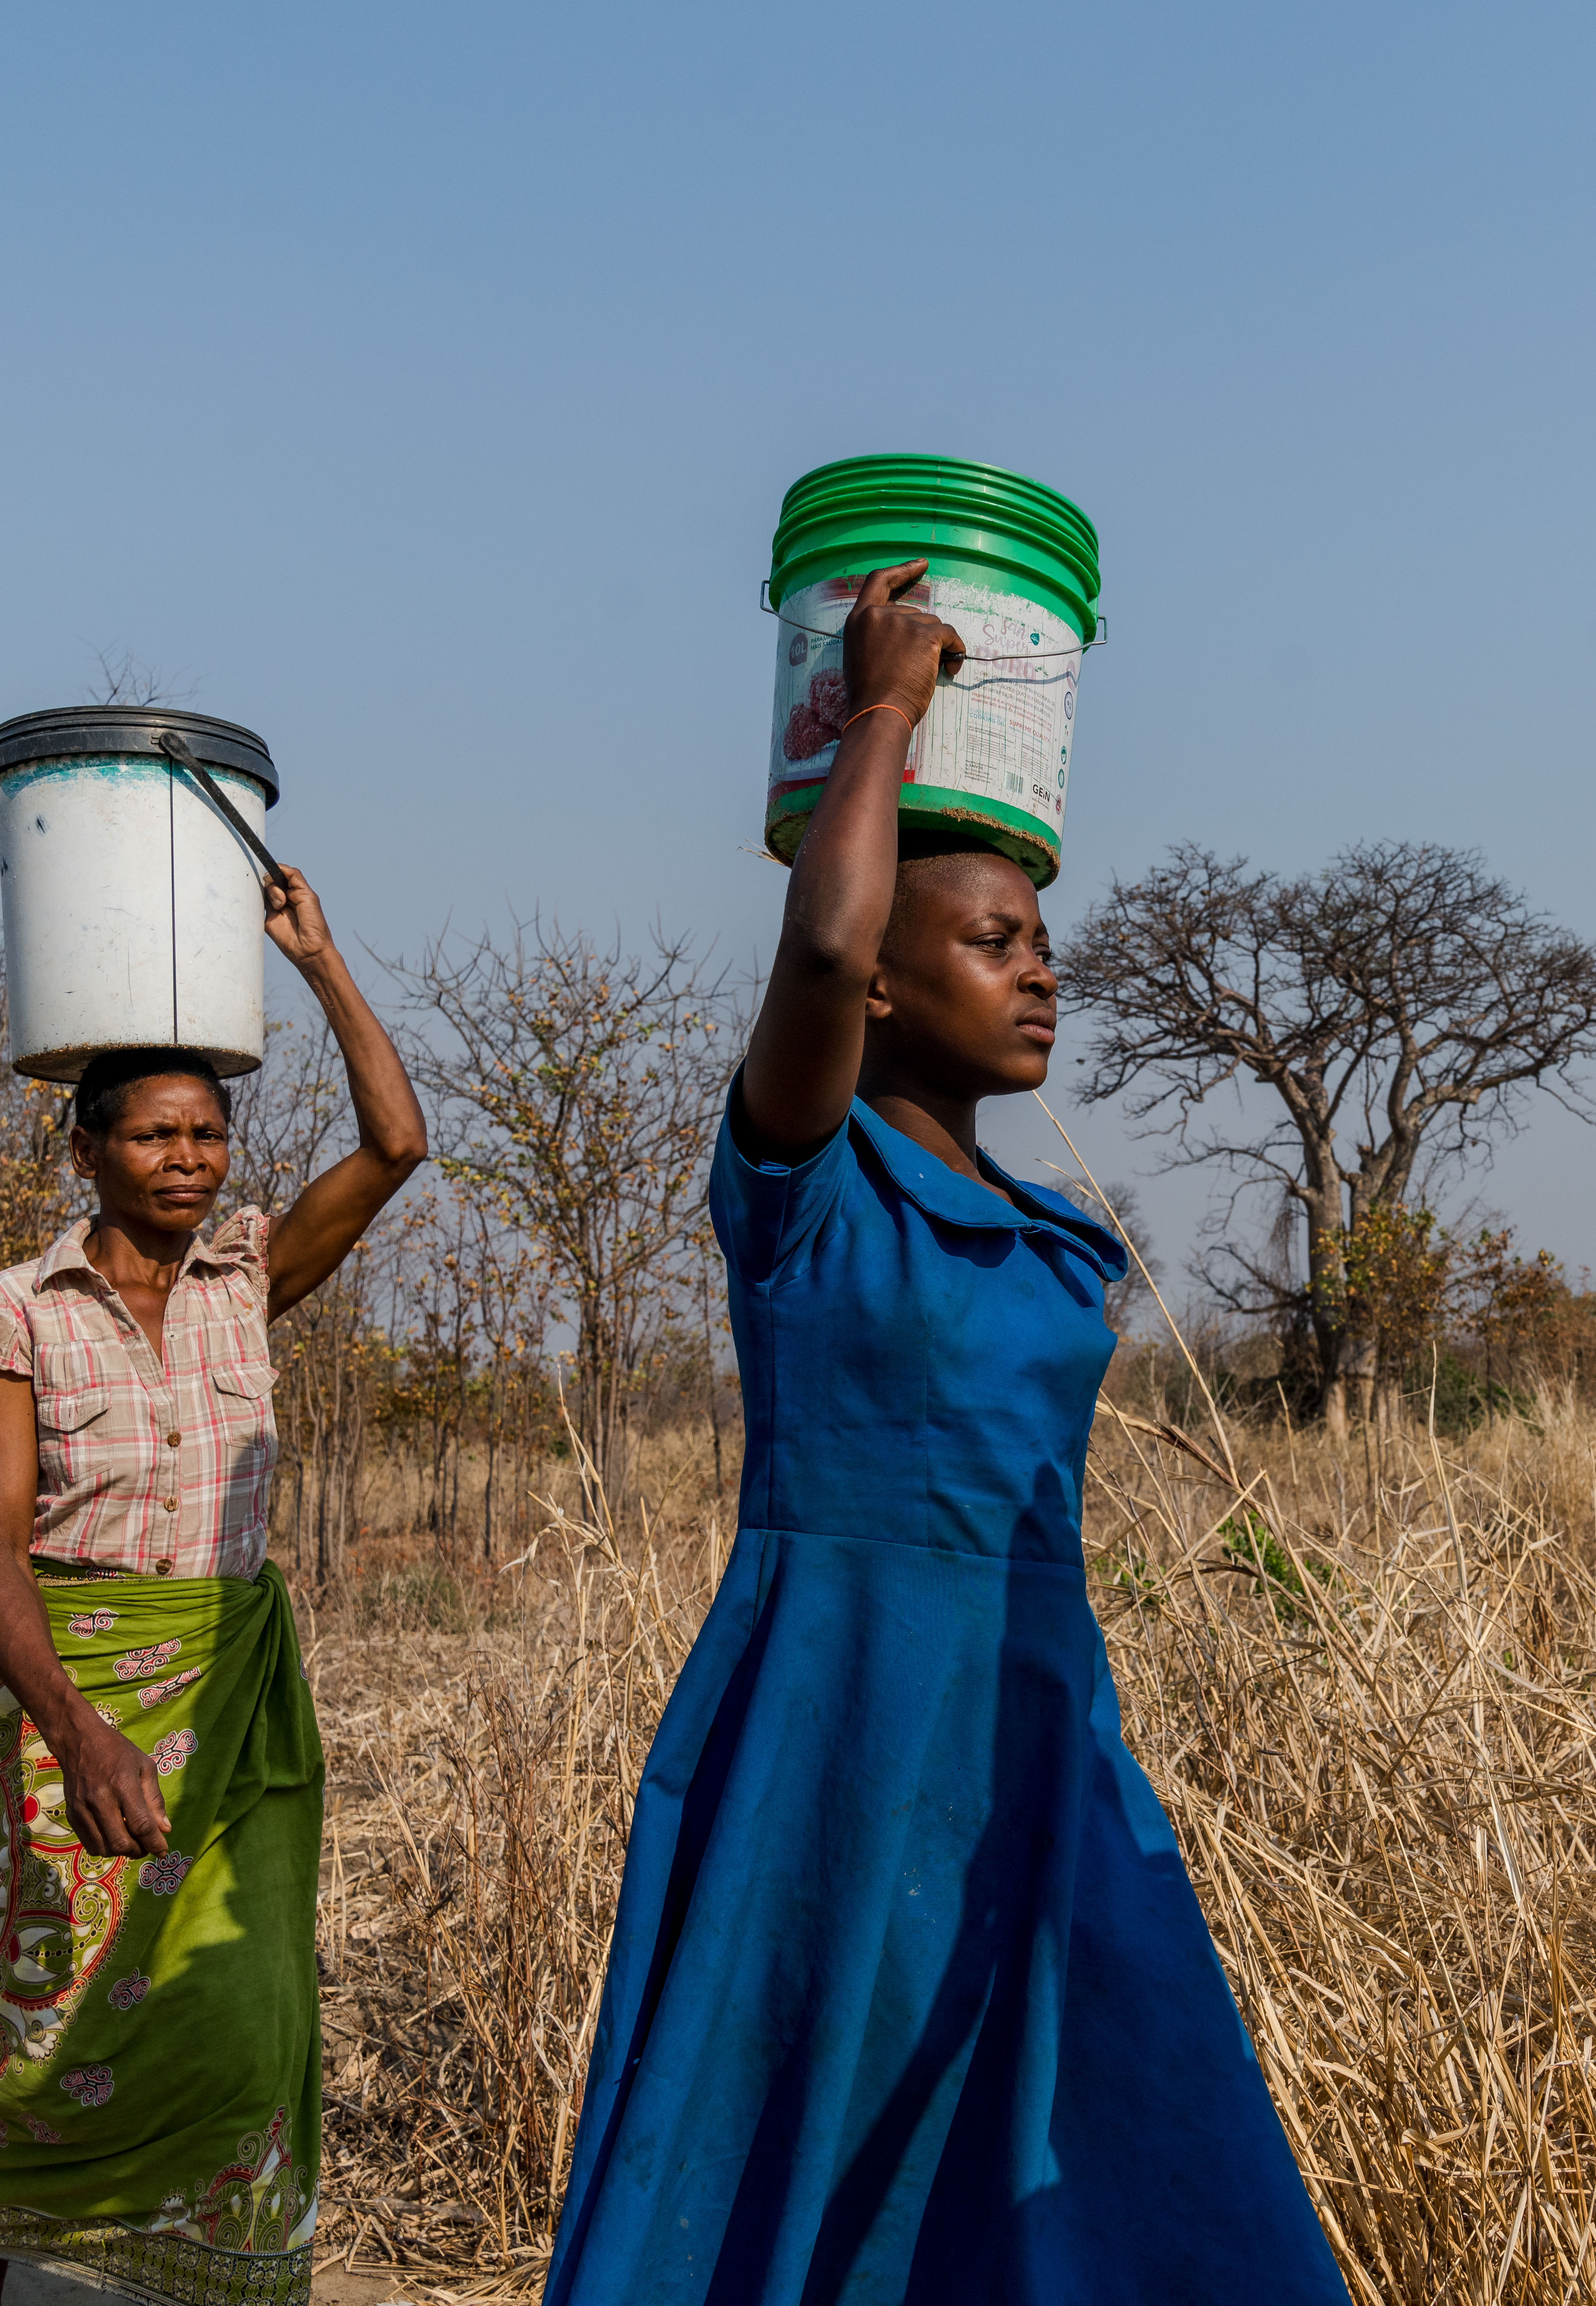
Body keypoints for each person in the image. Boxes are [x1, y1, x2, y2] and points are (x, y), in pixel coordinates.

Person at [545, 562, 1351, 2305]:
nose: (1041, 975)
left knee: (1079, 2130)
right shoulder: (807, 1193)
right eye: (991, 943)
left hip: (1026, 1711)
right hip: (830, 1706)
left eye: (1040, 941)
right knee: (802, 2129)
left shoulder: (1057, 1240)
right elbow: (818, 940)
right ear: (887, 993)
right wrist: (883, 711)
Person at [0, 866, 425, 2306]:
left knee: (239, 2003)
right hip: (69, 1682)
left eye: (207, 1133)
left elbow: (396, 1143)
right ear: (87, 1153)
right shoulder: (7, 1317)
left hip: (234, 1683)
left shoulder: (246, 1276)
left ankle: (229, 2273)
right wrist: (76, 1730)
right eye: (153, 1135)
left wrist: (318, 960)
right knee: (42, 2000)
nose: (188, 1160)